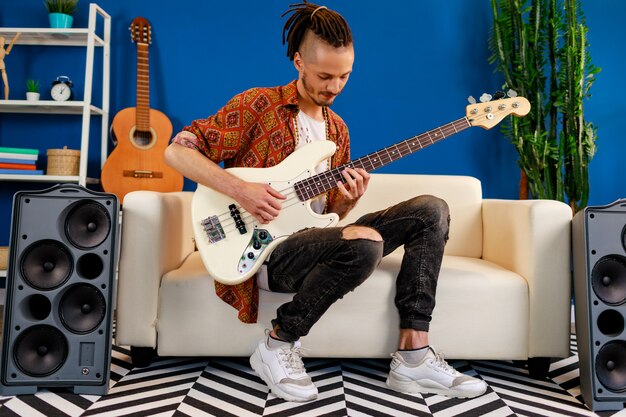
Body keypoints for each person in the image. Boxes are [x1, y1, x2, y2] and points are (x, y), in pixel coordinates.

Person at [164, 2, 487, 402]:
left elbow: (328, 217)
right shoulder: (258, 105)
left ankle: (413, 355)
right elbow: (177, 153)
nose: (334, 87)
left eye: (344, 76)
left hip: (313, 239)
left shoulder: (338, 131)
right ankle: (277, 345)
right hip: (264, 249)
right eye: (324, 76)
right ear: (298, 61)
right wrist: (239, 189)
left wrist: (350, 200)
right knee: (365, 242)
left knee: (430, 209)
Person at [0, 33, 21, 100]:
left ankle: (6, 99)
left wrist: (17, 35)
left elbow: (11, 43)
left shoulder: (4, 50)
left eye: (2, 41)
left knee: (6, 84)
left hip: (2, 67)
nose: (1, 43)